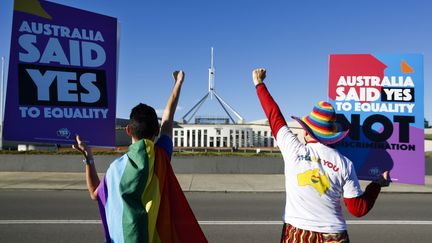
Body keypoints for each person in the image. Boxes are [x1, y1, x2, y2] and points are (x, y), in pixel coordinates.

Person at [251, 68, 390, 243]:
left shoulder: (294, 149)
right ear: (332, 135)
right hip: (334, 235)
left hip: (297, 232)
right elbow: (358, 209)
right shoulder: (345, 164)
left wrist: (259, 83)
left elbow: (274, 116)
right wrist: (377, 184)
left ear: (307, 130)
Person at [73, 70, 208, 243]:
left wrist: (89, 157)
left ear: (128, 130)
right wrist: (178, 83)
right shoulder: (160, 157)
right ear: (157, 131)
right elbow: (168, 119)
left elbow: (94, 193)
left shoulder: (116, 169)